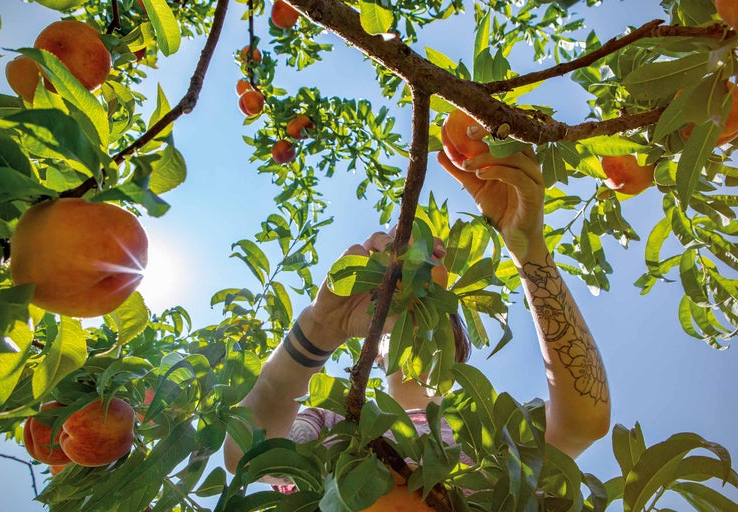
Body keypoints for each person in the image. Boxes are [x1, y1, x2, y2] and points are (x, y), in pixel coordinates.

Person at [223, 138, 611, 483]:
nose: (414, 322)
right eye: (399, 317)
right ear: (375, 351)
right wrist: (320, 327)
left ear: (456, 344)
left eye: (430, 315)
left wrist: (529, 250)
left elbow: (583, 423)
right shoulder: (332, 423)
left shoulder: (492, 430)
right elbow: (246, 456)